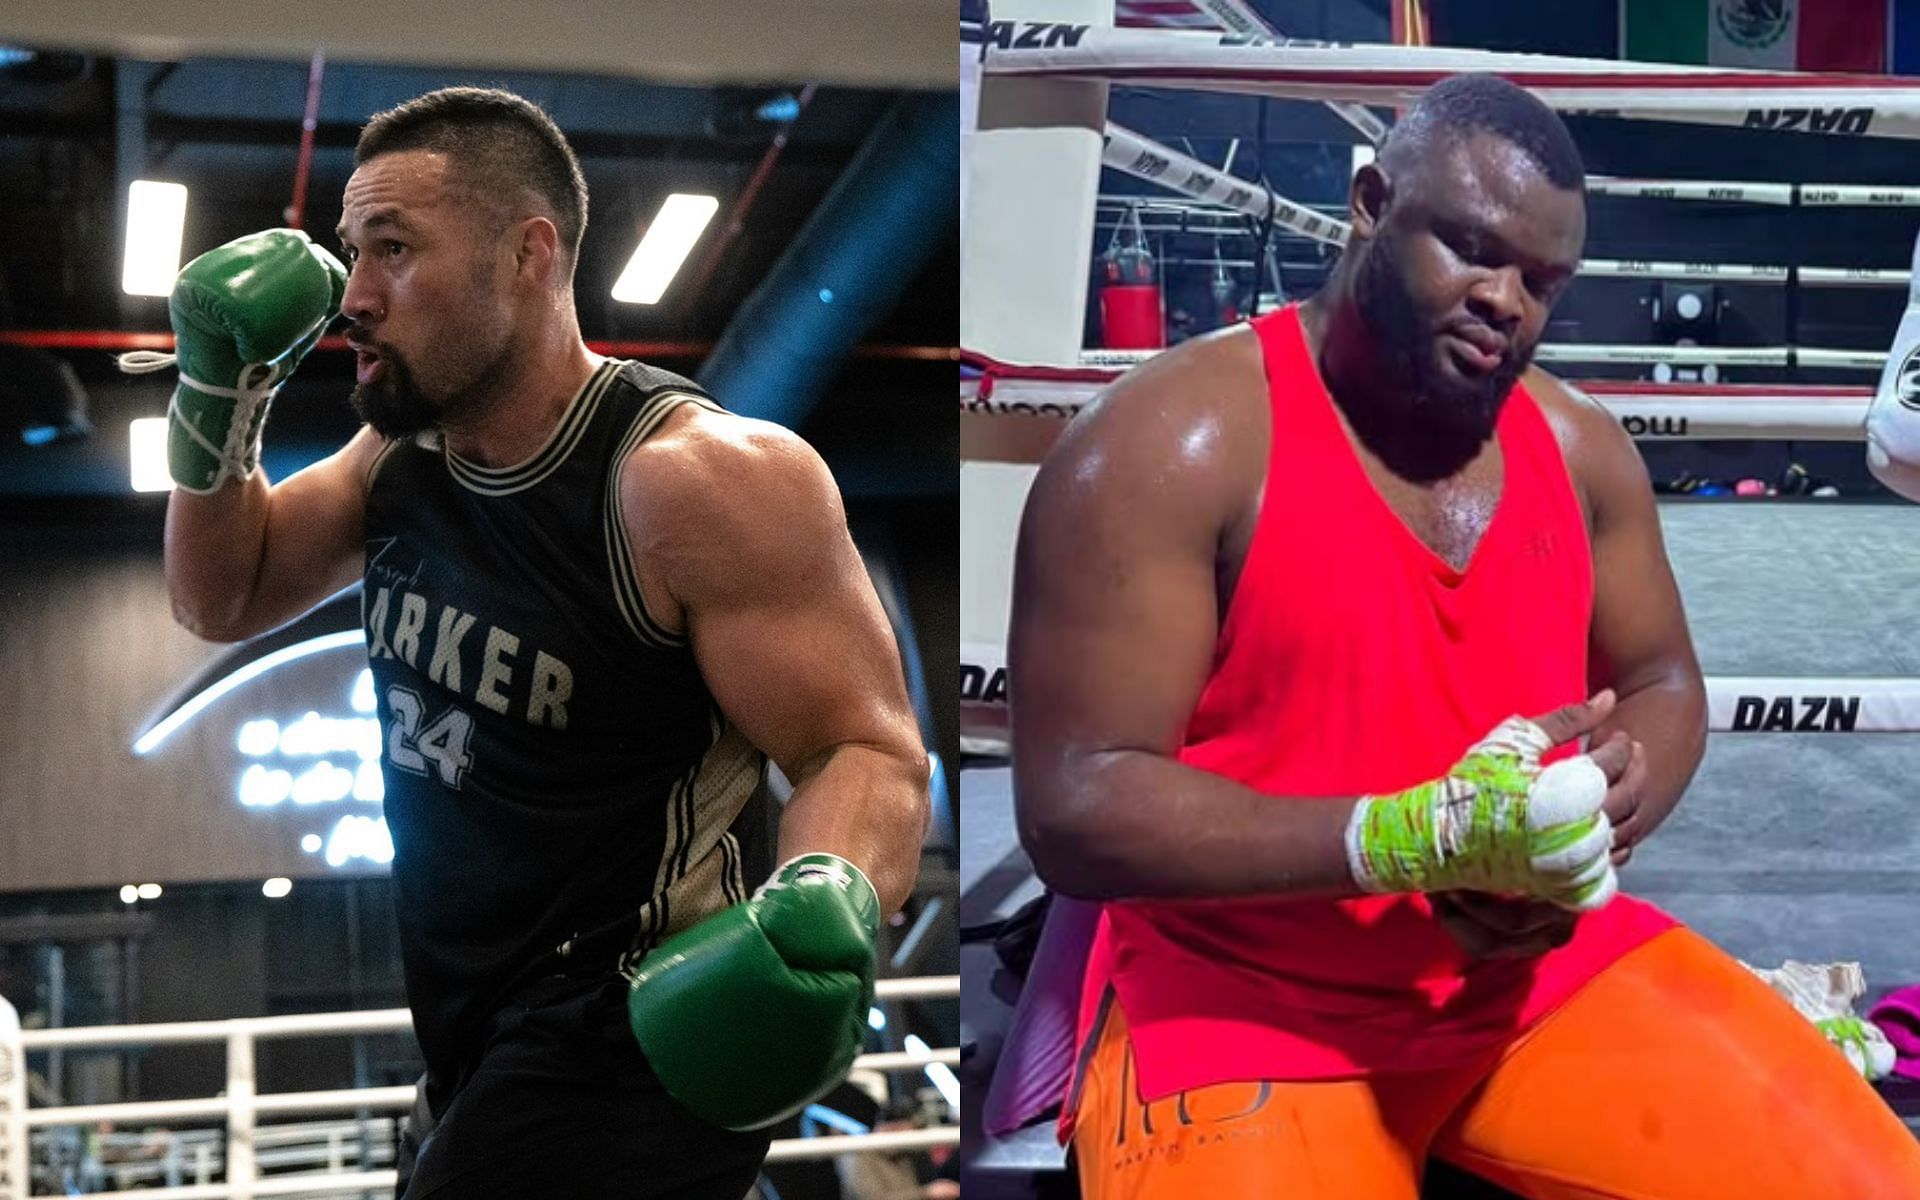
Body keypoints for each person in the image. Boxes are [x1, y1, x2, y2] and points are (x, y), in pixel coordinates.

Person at [1009, 74, 1920, 1199]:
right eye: (1471, 250)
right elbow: (1077, 804)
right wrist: (1413, 841)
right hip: (1247, 1004)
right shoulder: (1170, 446)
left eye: (1542, 282)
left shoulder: (1582, 451)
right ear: (1368, 202)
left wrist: (1618, 798)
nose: (1506, 302)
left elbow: (1662, 679)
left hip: (1530, 983)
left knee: (1877, 1184)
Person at [151, 86, 930, 1198]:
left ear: (528, 255)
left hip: (632, 1034)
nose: (354, 297)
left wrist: (828, 891)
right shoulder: (400, 461)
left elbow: (865, 749)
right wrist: (218, 391)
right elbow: (222, 596)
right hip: (474, 1035)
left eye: (394, 249)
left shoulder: (688, 482)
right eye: (350, 254)